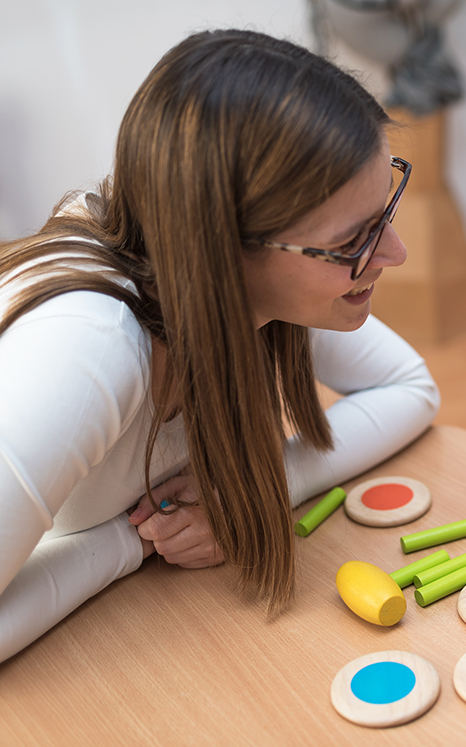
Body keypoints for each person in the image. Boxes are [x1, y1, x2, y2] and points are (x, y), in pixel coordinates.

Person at [0, 29, 440, 662]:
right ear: (228, 250)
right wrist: (132, 543)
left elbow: (412, 389)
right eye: (354, 239)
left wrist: (251, 492)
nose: (394, 254)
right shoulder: (90, 349)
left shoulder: (254, 290)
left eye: (385, 210)